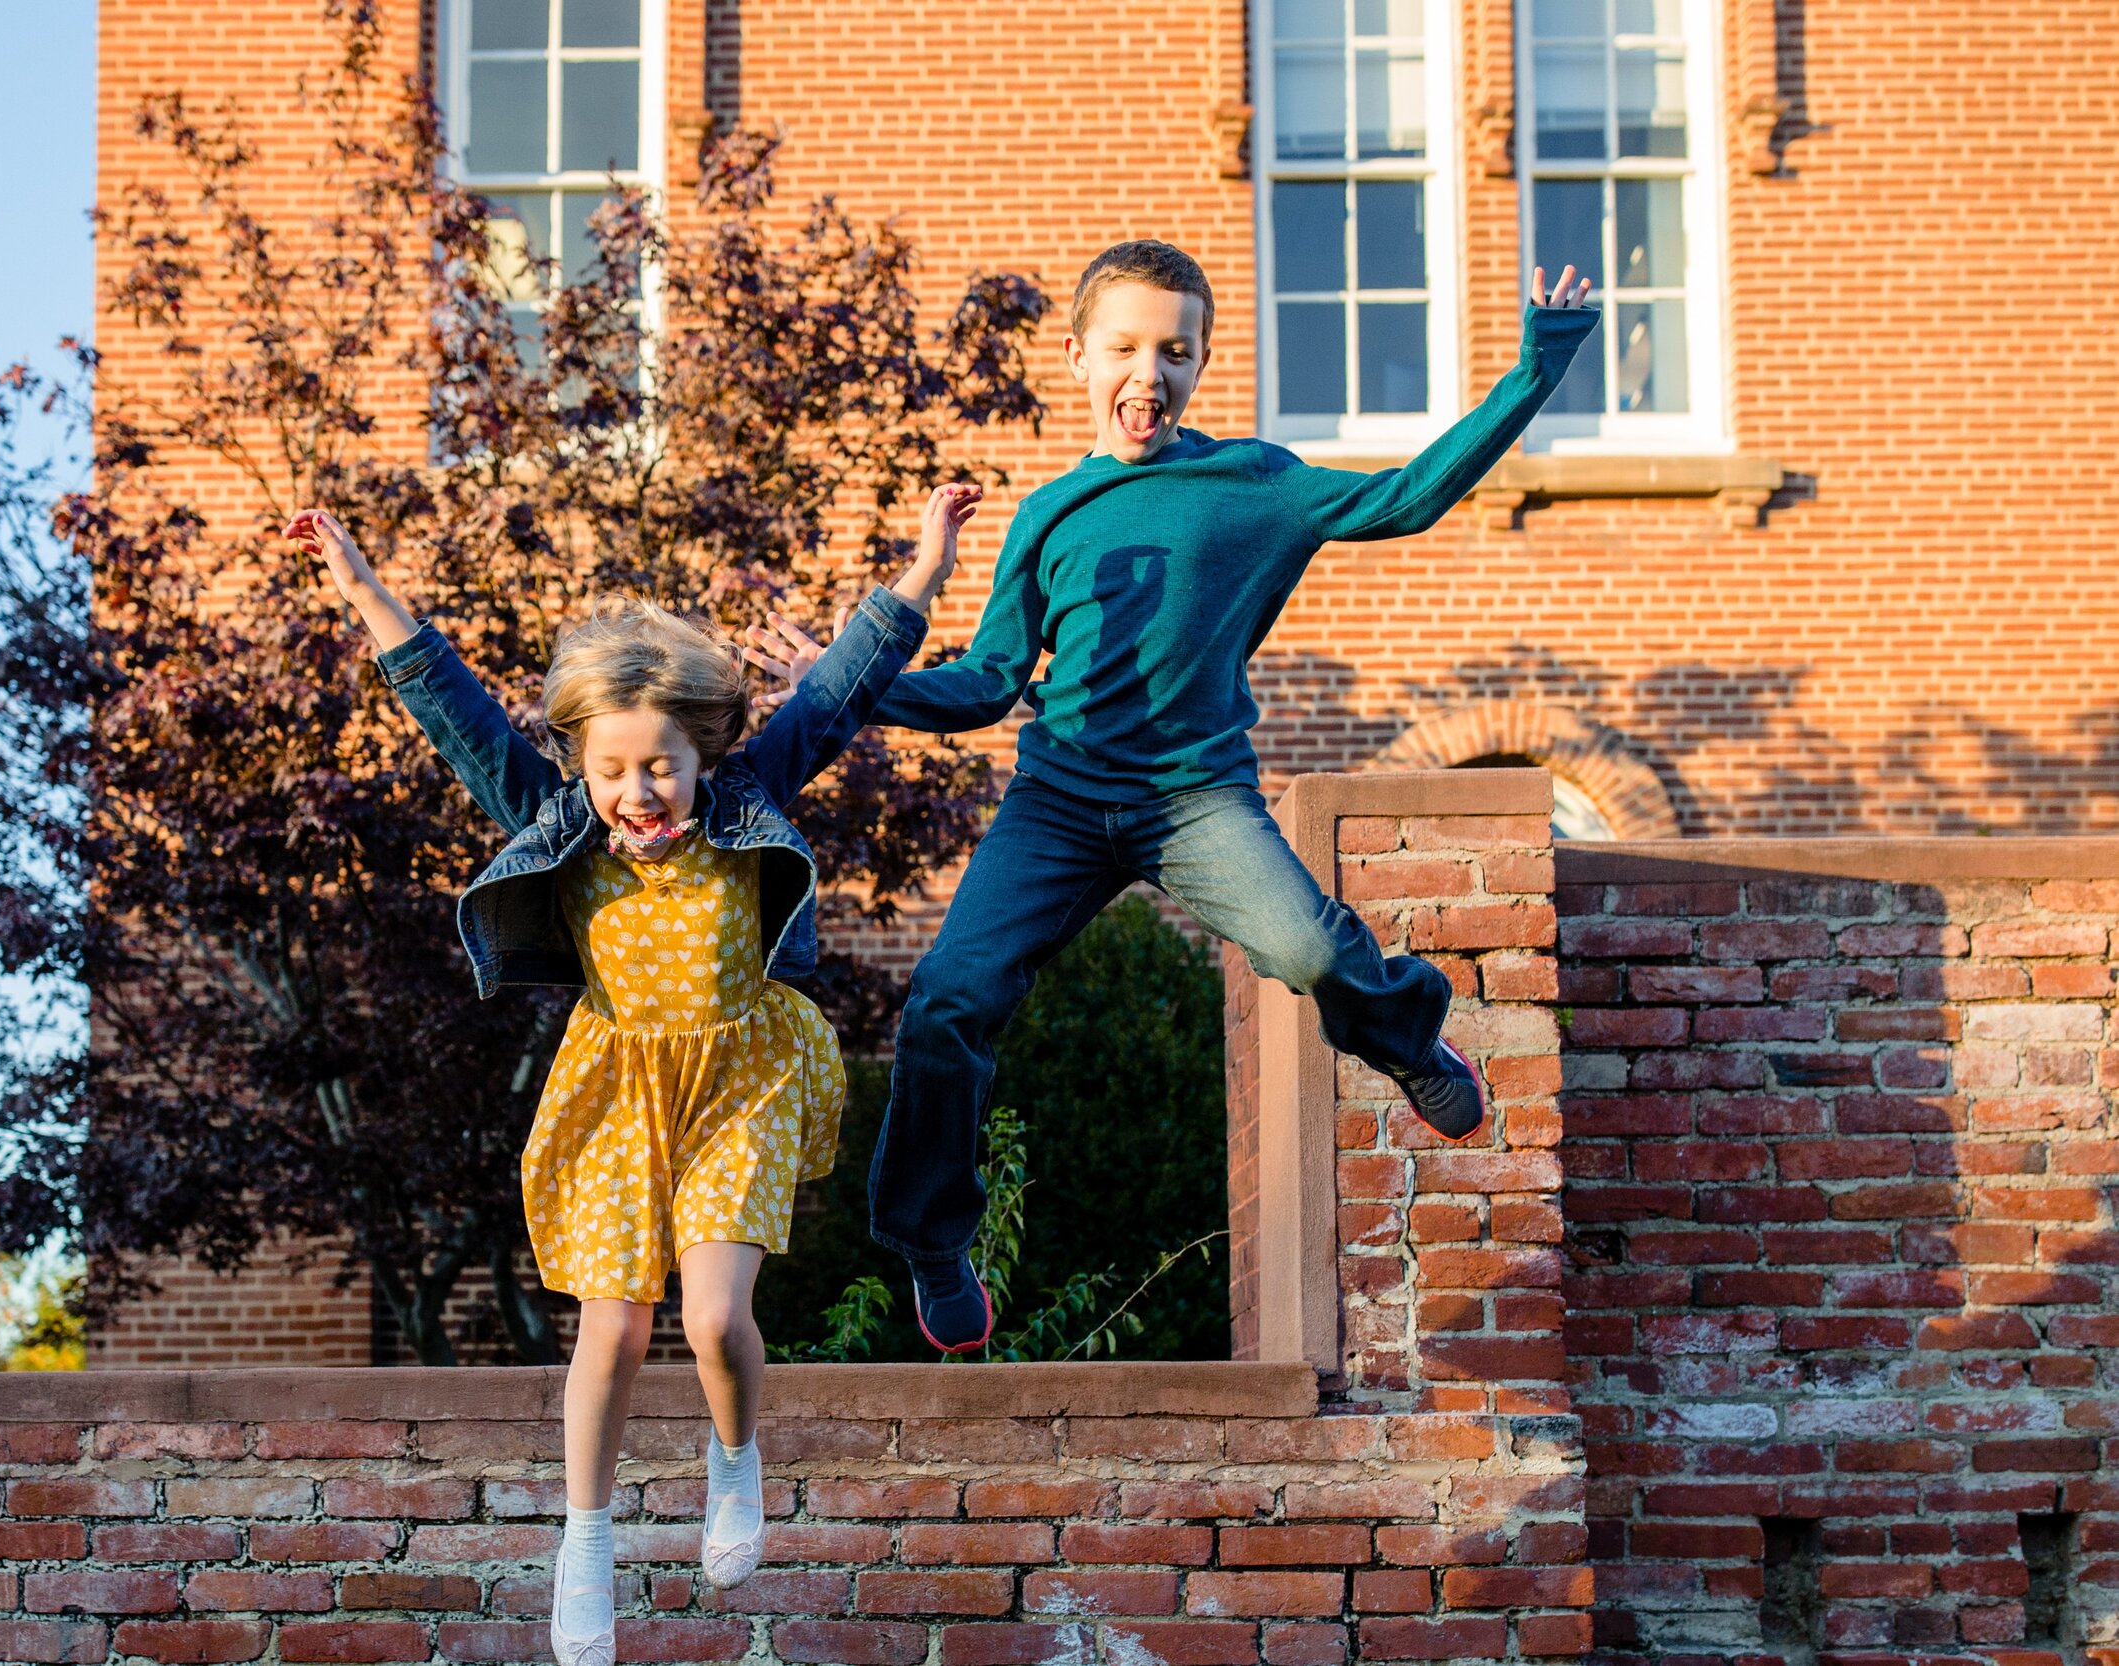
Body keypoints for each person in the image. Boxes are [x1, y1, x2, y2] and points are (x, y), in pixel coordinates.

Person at [802, 240, 1596, 1353]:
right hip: (1060, 803)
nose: (1149, 372)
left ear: (1201, 361)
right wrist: (856, 682)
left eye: (1173, 351)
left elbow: (1408, 499)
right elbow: (989, 681)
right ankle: (936, 1241)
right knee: (946, 999)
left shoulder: (1254, 487)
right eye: (1124, 347)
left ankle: (1412, 1038)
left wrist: (1534, 372)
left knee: (1309, 952)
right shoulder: (1048, 517)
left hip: (1196, 800)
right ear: (1076, 357)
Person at [289, 485, 978, 1666]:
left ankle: (734, 1463)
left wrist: (923, 568)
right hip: (614, 1085)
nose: (636, 796)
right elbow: (449, 710)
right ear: (581, 763)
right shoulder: (549, 816)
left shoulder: (750, 793)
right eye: (612, 771)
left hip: (743, 1073)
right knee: (608, 1332)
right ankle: (588, 1544)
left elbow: (840, 690)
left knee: (713, 1317)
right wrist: (360, 584)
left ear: (700, 749)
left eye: (657, 767)